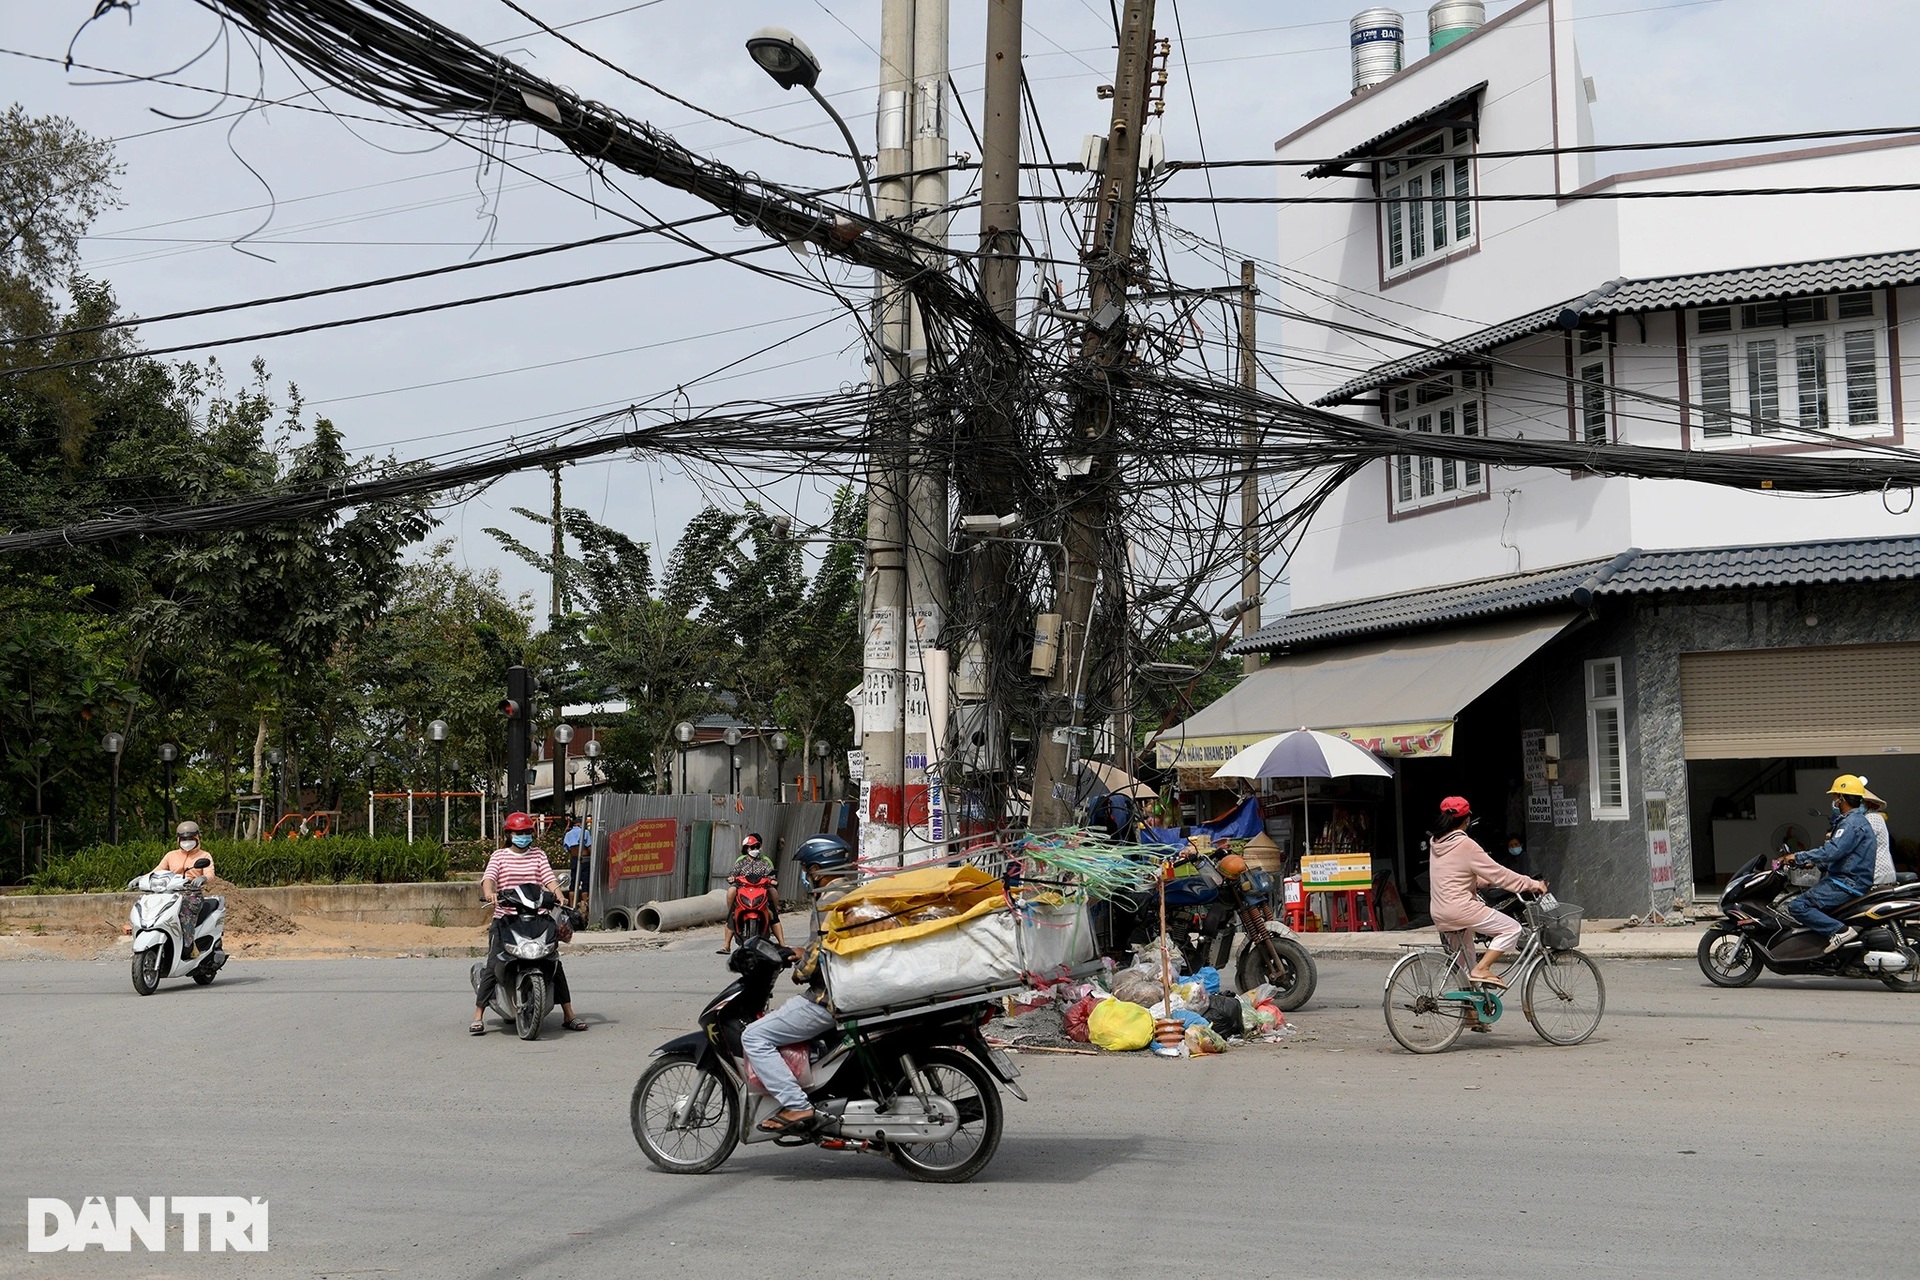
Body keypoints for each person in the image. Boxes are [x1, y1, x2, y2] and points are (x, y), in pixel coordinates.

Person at [739, 834, 858, 1135]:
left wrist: (801, 970)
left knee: (754, 1036)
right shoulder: (849, 891)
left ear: (819, 869)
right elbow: (827, 945)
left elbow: (821, 952)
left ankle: (796, 1104)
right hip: (844, 990)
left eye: (808, 870)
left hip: (827, 998)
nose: (807, 876)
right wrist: (799, 952)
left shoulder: (830, 899)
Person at [469, 811, 588, 1035]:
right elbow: (489, 879)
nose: (524, 836)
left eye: (527, 832)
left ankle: (568, 1014)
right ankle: (478, 1015)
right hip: (507, 918)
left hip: (537, 917)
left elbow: (548, 878)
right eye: (519, 833)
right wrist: (489, 893)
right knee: (494, 964)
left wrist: (559, 894)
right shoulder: (499, 856)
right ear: (509, 834)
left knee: (554, 963)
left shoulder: (539, 855)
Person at [1426, 796, 1548, 989]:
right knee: (1512, 928)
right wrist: (1530, 883)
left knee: (1465, 969)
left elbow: (1454, 874)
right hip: (1461, 909)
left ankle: (1471, 1017)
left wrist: (1484, 882)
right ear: (1467, 819)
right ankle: (1483, 968)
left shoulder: (1436, 843)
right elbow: (1499, 874)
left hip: (1440, 912)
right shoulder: (1465, 845)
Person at [1786, 775, 1878, 951]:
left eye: (1835, 797)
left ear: (1842, 799)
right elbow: (1844, 855)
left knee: (1798, 906)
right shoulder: (1856, 821)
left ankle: (1840, 931)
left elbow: (1833, 850)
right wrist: (1816, 864)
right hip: (1850, 880)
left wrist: (1798, 857)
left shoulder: (1851, 823)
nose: (1834, 801)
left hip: (1846, 882)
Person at [153, 821, 214, 960]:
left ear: (197, 838)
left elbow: (211, 874)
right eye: (184, 839)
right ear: (178, 840)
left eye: (191, 839)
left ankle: (188, 944)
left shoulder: (204, 856)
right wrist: (141, 878)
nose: (187, 842)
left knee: (185, 909)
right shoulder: (171, 855)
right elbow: (157, 871)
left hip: (192, 894)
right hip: (170, 892)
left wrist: (203, 878)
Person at [718, 834, 784, 953]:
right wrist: (732, 878)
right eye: (751, 847)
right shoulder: (740, 863)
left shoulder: (764, 862)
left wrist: (773, 880)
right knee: (732, 909)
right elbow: (732, 874)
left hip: (761, 891)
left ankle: (783, 944)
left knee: (773, 912)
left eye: (756, 846)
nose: (754, 849)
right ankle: (726, 945)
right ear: (746, 849)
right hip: (743, 891)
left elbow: (771, 876)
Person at [1861, 782, 1896, 888]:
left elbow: (1857, 841)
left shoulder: (1871, 818)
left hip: (1877, 875)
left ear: (1868, 803)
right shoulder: (1869, 817)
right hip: (1876, 874)